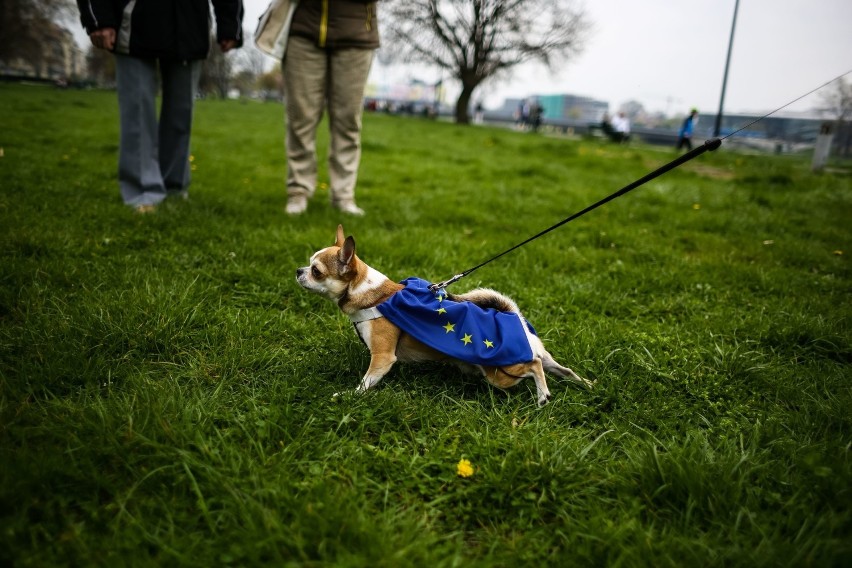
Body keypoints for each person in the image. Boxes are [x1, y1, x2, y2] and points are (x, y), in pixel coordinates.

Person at [76, 1, 244, 213]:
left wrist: (230, 24)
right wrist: (98, 17)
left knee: (181, 114)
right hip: (134, 19)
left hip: (190, 23)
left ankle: (174, 186)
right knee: (137, 110)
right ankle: (143, 190)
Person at [283, 1, 380, 216]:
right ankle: (298, 190)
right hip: (305, 27)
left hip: (356, 32)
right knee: (300, 118)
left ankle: (343, 195)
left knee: (348, 121)